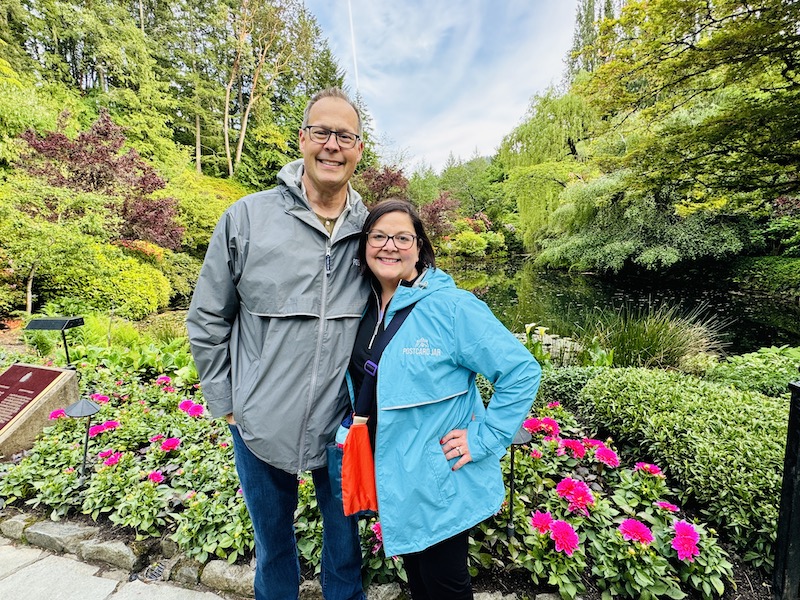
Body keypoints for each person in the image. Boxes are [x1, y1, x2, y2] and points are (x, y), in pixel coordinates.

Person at [186, 87, 369, 600]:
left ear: (359, 149)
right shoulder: (246, 219)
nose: (332, 145)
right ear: (303, 139)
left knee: (346, 555)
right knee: (273, 551)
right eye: (322, 132)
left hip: (343, 428)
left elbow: (412, 302)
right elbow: (206, 318)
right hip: (259, 425)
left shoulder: (373, 231)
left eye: (345, 136)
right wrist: (227, 405)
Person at [345, 198, 542, 600]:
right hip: (393, 474)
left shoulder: (451, 308)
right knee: (419, 582)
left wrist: (484, 438)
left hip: (437, 479)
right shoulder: (360, 305)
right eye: (379, 236)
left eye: (403, 237)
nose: (390, 246)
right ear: (365, 245)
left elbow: (521, 371)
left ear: (419, 247)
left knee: (444, 587)